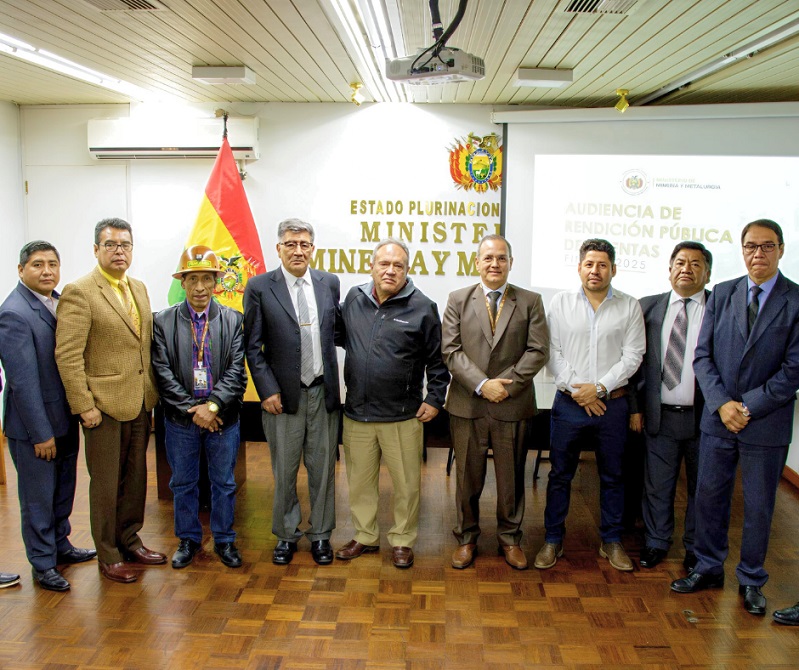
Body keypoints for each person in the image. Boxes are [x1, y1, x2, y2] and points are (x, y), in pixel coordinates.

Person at [671, 219, 799, 617]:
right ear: (742, 250)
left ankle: (751, 579)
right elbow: (702, 356)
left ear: (780, 250)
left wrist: (747, 407)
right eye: (750, 246)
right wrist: (722, 403)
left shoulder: (795, 300)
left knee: (758, 506)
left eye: (767, 246)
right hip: (718, 420)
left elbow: (793, 369)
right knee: (709, 498)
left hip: (766, 423)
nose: (758, 254)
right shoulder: (723, 293)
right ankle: (708, 568)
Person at [55, 217, 164, 583]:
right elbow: (68, 355)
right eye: (111, 244)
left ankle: (130, 539)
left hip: (140, 401)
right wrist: (83, 405)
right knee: (105, 483)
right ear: (96, 249)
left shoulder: (139, 288)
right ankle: (108, 553)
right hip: (102, 407)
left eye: (125, 245)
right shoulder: (80, 292)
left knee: (135, 480)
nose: (119, 251)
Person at [335, 238, 450, 569]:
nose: (390, 270)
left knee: (407, 485)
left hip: (402, 416)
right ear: (371, 266)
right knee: (360, 483)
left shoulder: (423, 307)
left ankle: (402, 540)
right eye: (384, 264)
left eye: (398, 265)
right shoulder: (354, 299)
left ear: (407, 270)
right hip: (357, 413)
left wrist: (435, 398)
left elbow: (438, 361)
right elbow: (340, 338)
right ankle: (365, 535)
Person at [535, 238, 645, 572]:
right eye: (589, 264)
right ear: (579, 267)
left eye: (602, 265)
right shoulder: (561, 302)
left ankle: (611, 540)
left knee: (613, 475)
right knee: (560, 475)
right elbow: (552, 351)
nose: (595, 270)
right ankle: (553, 539)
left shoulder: (629, 306)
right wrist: (579, 390)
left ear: (614, 269)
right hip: (569, 405)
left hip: (612, 406)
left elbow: (634, 355)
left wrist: (599, 388)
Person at [442, 234, 549, 570]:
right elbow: (450, 350)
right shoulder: (458, 299)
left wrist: (505, 386)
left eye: (501, 258)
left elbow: (538, 351)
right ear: (477, 262)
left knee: (511, 478)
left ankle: (510, 539)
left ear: (511, 263)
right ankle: (466, 538)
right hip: (468, 404)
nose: (494, 264)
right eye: (488, 258)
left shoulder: (530, 301)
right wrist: (482, 385)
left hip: (512, 404)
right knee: (467, 478)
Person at [243, 219, 342, 566]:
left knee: (323, 469)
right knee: (284, 471)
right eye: (290, 244)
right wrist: (267, 390)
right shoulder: (259, 287)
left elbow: (336, 332)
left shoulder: (329, 283)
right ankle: (286, 535)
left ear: (312, 248)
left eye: (304, 244)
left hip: (322, 392)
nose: (298, 250)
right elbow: (252, 346)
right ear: (279, 248)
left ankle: (321, 534)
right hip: (282, 398)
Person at [0, 243, 97, 592]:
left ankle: (61, 545)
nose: (47, 271)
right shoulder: (14, 313)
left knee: (63, 490)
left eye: (53, 264)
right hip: (35, 429)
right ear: (21, 269)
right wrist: (40, 434)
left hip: (64, 418)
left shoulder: (58, 302)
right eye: (37, 264)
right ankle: (43, 564)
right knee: (38, 499)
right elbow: (23, 383)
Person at [152, 246, 247, 569]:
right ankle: (189, 539)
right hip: (182, 420)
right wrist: (195, 410)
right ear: (182, 282)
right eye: (192, 279)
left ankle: (224, 540)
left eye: (207, 279)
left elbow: (236, 371)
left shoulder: (233, 320)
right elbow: (162, 372)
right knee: (183, 483)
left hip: (223, 419)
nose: (200, 287)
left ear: (216, 282)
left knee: (224, 483)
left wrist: (214, 406)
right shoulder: (162, 321)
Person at [629, 242, 712, 572]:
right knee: (657, 485)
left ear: (708, 273)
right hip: (660, 415)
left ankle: (695, 547)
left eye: (695, 264)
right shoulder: (647, 307)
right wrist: (635, 407)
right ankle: (656, 541)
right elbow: (635, 364)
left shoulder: (720, 308)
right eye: (680, 262)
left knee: (702, 488)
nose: (686, 269)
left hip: (705, 417)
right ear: (669, 269)